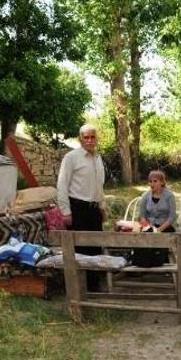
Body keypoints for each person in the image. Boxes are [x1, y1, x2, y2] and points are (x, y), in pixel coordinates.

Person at [56, 124, 105, 290]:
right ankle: (79, 288)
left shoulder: (98, 158)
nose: (90, 140)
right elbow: (62, 185)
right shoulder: (71, 158)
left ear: (96, 138)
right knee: (80, 248)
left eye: (93, 137)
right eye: (86, 137)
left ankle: (94, 286)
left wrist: (102, 206)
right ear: (80, 139)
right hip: (77, 208)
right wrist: (65, 211)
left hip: (94, 209)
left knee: (96, 246)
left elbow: (100, 185)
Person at [132, 170, 176, 267]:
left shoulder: (169, 196)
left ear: (162, 182)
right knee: (142, 236)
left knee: (159, 237)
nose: (152, 184)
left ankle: (159, 262)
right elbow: (142, 216)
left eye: (155, 181)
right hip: (149, 226)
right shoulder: (145, 196)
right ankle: (143, 263)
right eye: (150, 181)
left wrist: (160, 229)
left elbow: (172, 217)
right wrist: (148, 226)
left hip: (165, 226)